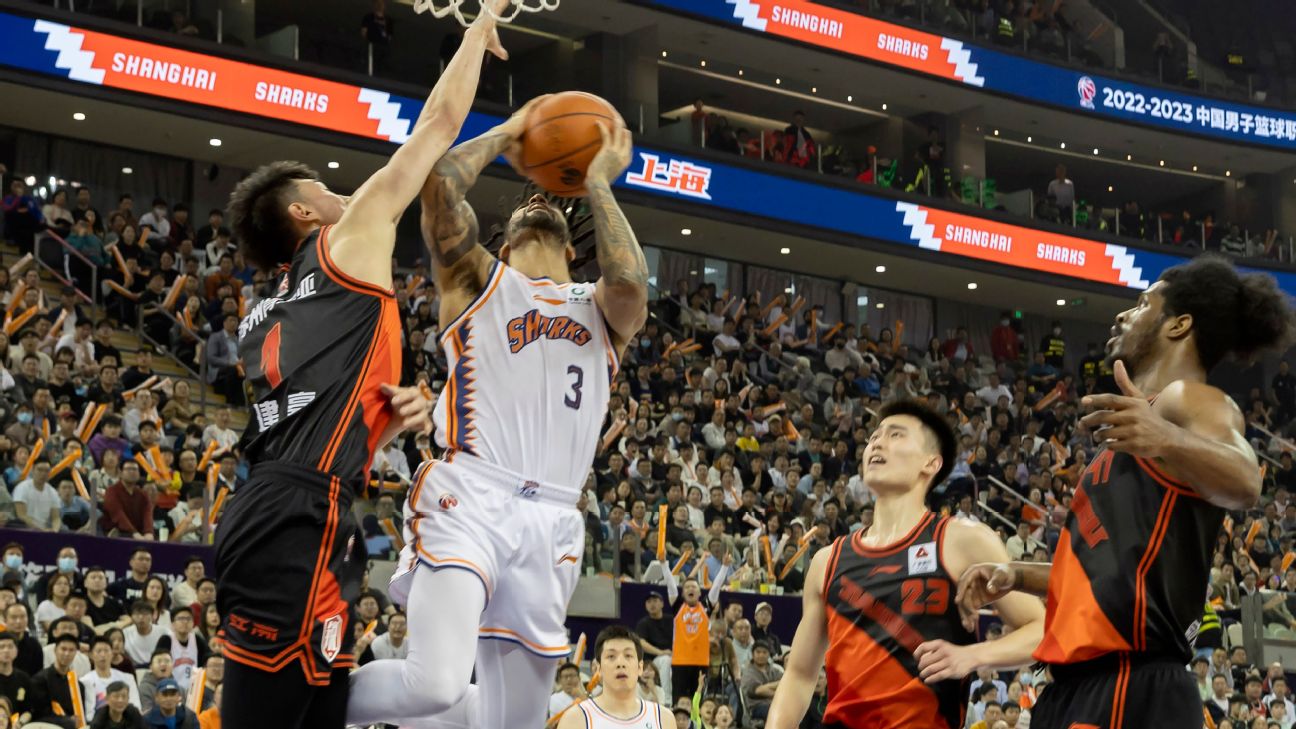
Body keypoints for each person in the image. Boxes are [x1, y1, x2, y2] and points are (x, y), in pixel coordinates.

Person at [213, 6, 509, 728]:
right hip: (299, 512)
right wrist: (477, 31)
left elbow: (317, 410)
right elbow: (437, 126)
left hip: (290, 503)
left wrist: (391, 416)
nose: (339, 191)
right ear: (301, 211)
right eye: (321, 186)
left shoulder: (265, 317)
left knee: (319, 706)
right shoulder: (345, 241)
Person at [346, 90, 647, 729]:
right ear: (502, 248)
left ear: (574, 251)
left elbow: (628, 281)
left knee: (509, 722)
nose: (536, 203)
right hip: (472, 496)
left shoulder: (600, 309)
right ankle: (294, 702)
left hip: (554, 521)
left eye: (549, 200)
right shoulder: (479, 280)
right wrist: (513, 129)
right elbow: (439, 190)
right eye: (523, 205)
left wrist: (596, 181)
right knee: (435, 683)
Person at [956, 256, 1296, 729]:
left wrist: (1166, 436)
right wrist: (1015, 575)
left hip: (1130, 682)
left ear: (1178, 325)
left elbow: (1245, 481)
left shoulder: (1186, 398)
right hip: (1076, 687)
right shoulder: (1141, 424)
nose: (1122, 314)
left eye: (1141, 304)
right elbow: (1101, 576)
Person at [765, 399, 1045, 728]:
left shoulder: (962, 540)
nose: (876, 443)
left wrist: (972, 656)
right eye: (874, 437)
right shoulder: (827, 561)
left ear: (931, 463)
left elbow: (1042, 629)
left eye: (895, 435)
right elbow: (799, 676)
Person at [556, 625, 676, 729]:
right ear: (599, 669)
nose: (620, 663)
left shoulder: (663, 718)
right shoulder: (575, 719)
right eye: (611, 656)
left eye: (628, 655)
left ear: (640, 667)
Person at [29, 634, 82, 728]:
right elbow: (40, 713)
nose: (67, 654)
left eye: (71, 650)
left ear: (76, 653)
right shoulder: (40, 680)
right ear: (55, 650)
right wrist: (68, 721)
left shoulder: (77, 684)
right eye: (63, 649)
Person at [82, 636, 142, 717]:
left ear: (112, 653)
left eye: (106, 651)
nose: (103, 655)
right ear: (91, 655)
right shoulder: (85, 681)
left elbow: (136, 706)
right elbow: (89, 714)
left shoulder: (127, 678)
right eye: (99, 651)